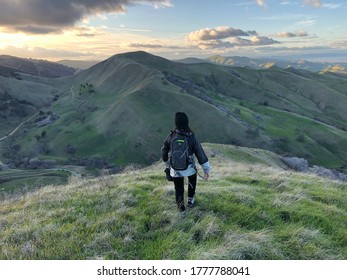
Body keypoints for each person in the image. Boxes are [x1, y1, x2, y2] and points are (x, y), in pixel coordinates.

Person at [161, 112, 210, 215]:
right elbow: (200, 153)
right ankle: (190, 200)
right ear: (187, 122)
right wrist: (206, 170)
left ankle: (181, 211)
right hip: (190, 168)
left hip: (175, 168)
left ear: (176, 123)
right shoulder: (191, 137)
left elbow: (164, 150)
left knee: (178, 189)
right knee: (192, 181)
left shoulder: (171, 136)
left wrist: (167, 163)